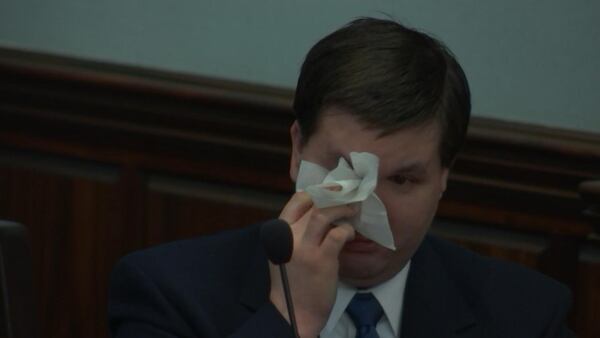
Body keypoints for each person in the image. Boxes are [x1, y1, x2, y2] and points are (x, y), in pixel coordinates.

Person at [108, 18, 574, 338]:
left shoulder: (528, 315)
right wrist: (292, 320)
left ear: (444, 176)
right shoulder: (167, 292)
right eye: (342, 172)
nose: (364, 210)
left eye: (403, 181)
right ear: (296, 151)